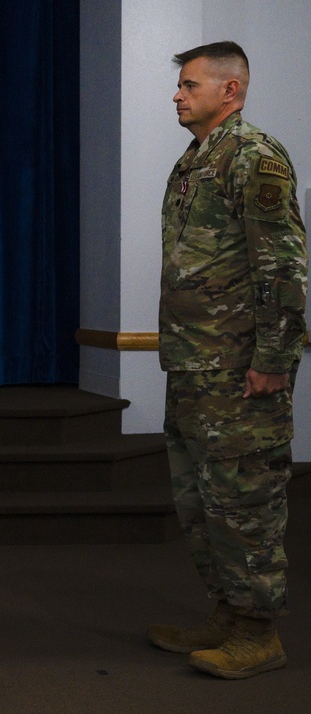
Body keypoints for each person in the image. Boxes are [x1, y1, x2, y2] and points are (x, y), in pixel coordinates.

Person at [149, 40, 307, 680]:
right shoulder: (196, 160)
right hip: (194, 365)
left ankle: (258, 631)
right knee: (200, 499)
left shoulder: (255, 157)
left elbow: (283, 266)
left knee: (246, 500)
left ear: (230, 91)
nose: (178, 94)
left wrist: (273, 356)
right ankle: (225, 612)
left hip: (240, 369)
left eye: (189, 85)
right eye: (180, 85)